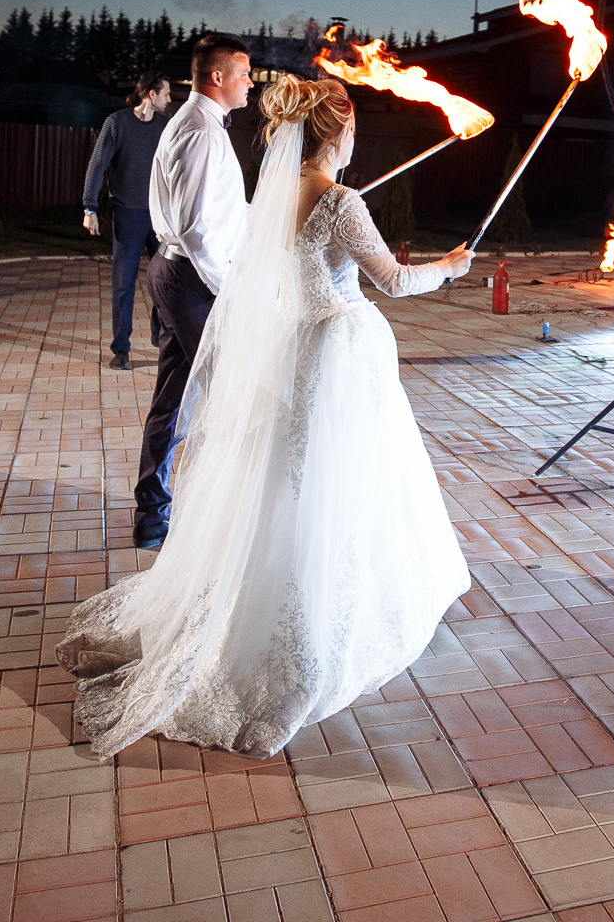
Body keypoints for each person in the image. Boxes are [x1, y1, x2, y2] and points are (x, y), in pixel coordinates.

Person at [55, 75, 475, 759]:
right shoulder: (339, 201)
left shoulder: (271, 199)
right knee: (336, 486)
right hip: (338, 350)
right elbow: (393, 281)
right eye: (352, 122)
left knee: (288, 485)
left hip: (296, 350)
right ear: (336, 129)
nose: (355, 131)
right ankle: (298, 652)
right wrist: (452, 266)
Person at [132, 34, 252, 549]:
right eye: (244, 73)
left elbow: (218, 216)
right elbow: (196, 227)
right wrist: (230, 290)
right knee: (236, 390)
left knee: (176, 397)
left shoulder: (197, 126)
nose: (251, 82)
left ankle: (152, 515)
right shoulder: (200, 131)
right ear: (217, 77)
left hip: (178, 272)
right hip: (191, 279)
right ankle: (219, 516)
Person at [82, 73, 173, 369]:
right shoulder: (117, 123)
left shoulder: (164, 127)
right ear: (150, 94)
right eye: (166, 94)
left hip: (159, 215)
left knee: (164, 278)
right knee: (123, 284)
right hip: (128, 214)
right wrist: (89, 207)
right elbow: (98, 165)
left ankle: (159, 334)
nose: (169, 99)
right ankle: (121, 349)